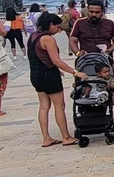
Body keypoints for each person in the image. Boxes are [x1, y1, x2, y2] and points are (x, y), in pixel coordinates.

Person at [28, 12, 86, 147]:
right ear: (50, 25)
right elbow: (56, 60)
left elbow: (38, 57)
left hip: (36, 75)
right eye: (58, 27)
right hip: (49, 76)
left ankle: (46, 138)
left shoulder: (33, 36)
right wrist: (75, 72)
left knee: (44, 106)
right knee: (59, 106)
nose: (59, 30)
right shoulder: (48, 39)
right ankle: (66, 136)